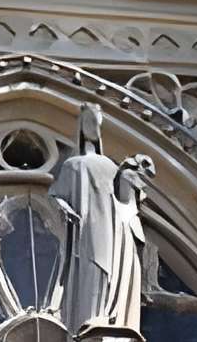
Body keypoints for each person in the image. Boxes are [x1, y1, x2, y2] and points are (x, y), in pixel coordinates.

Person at [50, 103, 151, 337]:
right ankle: (87, 319)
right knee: (89, 268)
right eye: (88, 123)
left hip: (112, 228)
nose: (93, 129)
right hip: (85, 228)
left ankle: (105, 315)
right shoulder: (73, 165)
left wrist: (134, 176)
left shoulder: (111, 166)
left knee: (108, 270)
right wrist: (64, 208)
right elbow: (56, 195)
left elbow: (127, 200)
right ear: (81, 128)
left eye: (96, 124)